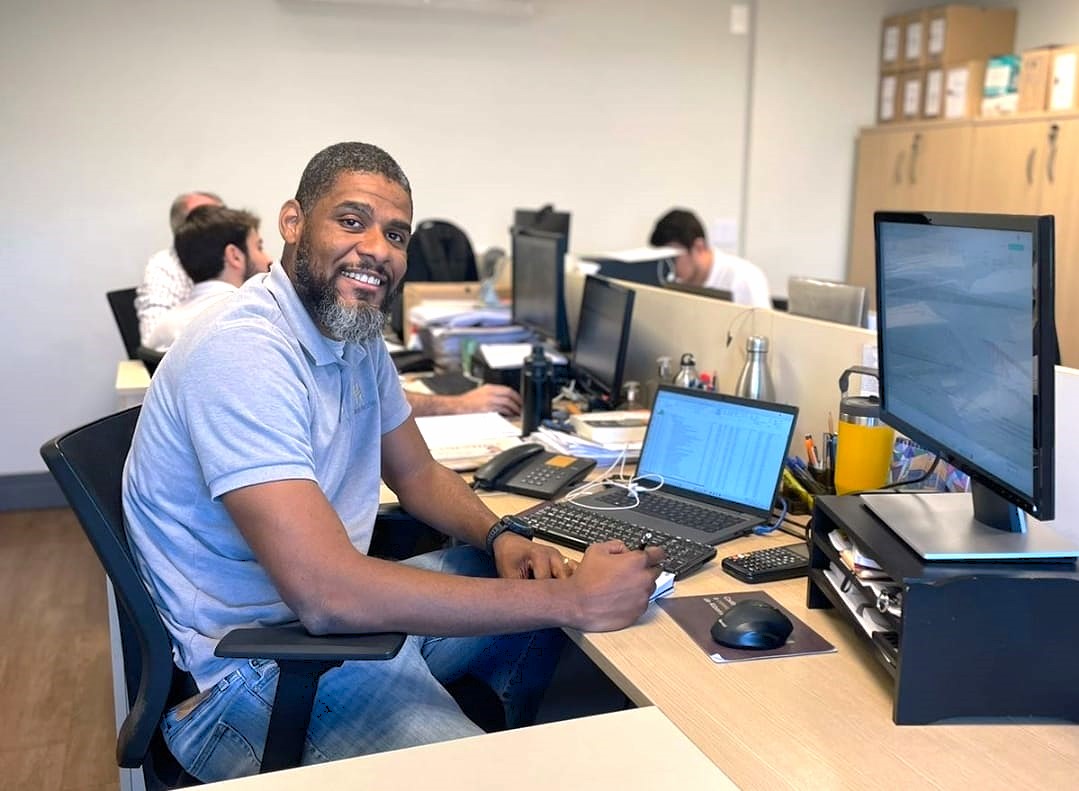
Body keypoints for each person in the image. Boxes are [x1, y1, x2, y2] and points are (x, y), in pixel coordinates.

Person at [122, 141, 664, 783]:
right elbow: (328, 596)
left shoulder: (353, 335)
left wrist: (502, 534)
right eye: (352, 221)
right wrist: (573, 600)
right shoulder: (243, 352)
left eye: (396, 234)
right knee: (523, 693)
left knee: (527, 582)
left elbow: (417, 475)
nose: (377, 248)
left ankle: (512, 745)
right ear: (293, 222)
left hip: (331, 634)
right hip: (252, 675)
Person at [142, 205, 273, 352]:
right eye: (259, 248)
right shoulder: (251, 318)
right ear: (234, 256)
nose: (268, 260)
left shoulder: (163, 328)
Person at [135, 191, 224, 342]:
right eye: (207, 217)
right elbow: (153, 337)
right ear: (184, 229)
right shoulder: (164, 266)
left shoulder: (232, 256)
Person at [649, 208, 772, 308]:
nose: (668, 266)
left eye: (673, 257)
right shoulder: (675, 281)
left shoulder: (744, 279)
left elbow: (764, 330)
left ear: (699, 247)